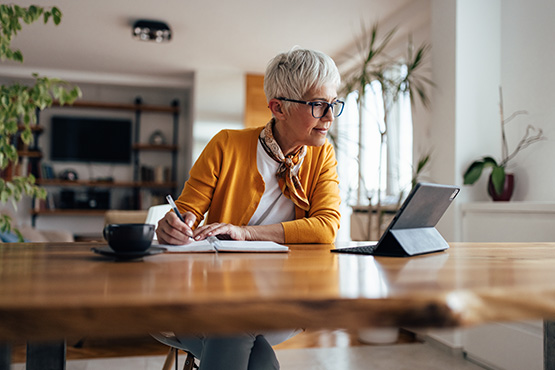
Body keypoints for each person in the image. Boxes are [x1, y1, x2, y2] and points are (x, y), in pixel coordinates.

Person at [156, 48, 343, 370]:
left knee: (235, 325)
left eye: (333, 104)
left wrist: (245, 233)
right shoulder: (226, 145)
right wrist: (173, 224)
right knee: (241, 331)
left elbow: (326, 227)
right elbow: (186, 211)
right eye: (317, 105)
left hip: (283, 298)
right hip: (211, 294)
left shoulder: (322, 156)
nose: (329, 116)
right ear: (278, 108)